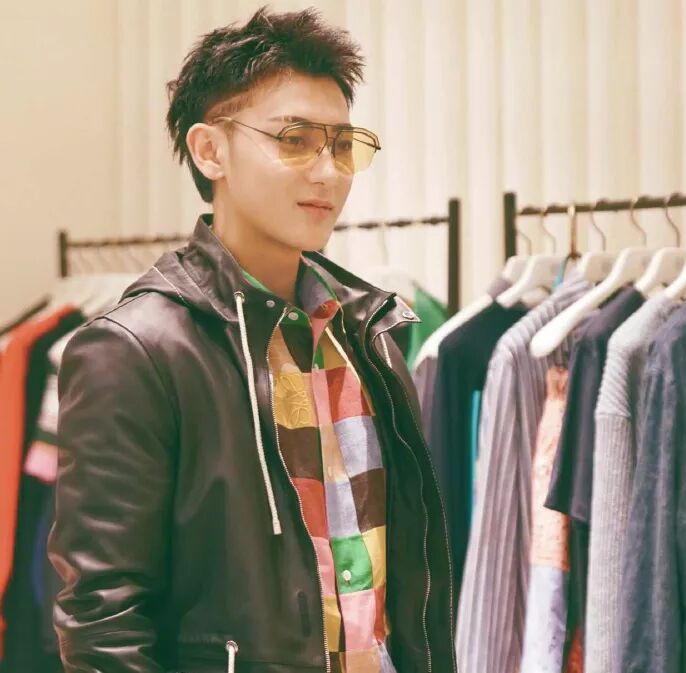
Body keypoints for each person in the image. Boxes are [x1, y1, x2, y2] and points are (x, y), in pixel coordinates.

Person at [48, 7, 455, 673]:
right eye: (295, 139)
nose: (328, 172)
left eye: (342, 145)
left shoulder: (367, 331)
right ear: (210, 150)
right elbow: (103, 620)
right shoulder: (135, 349)